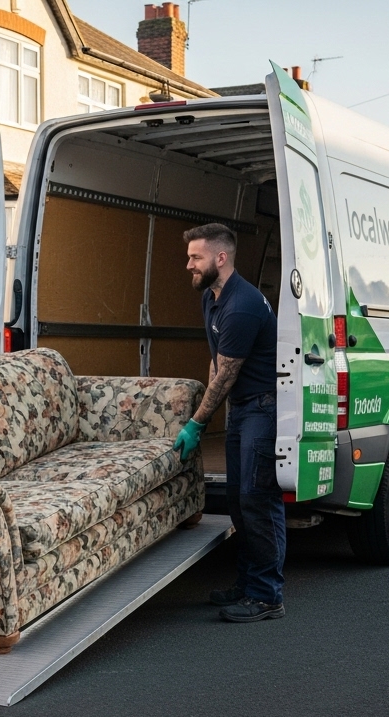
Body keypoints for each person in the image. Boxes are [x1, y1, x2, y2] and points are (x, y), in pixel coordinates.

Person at [172, 223, 285, 623]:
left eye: (195, 257)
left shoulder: (242, 305)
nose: (188, 264)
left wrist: (198, 424)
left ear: (220, 258)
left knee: (258, 499)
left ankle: (267, 595)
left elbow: (228, 374)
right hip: (241, 407)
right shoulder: (212, 297)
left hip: (262, 406)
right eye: (189, 257)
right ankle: (247, 584)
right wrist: (212, 410)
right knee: (238, 499)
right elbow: (217, 361)